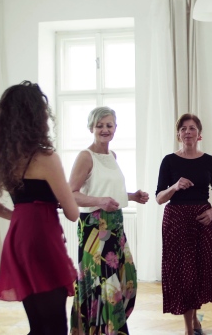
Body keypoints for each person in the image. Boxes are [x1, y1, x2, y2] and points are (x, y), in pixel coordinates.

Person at [0, 81, 79, 335]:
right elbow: (73, 213)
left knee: (38, 325)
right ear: (37, 118)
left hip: (18, 239)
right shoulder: (46, 158)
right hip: (42, 239)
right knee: (55, 326)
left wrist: (14, 215)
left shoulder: (3, 159)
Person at [68, 106, 149, 335]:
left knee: (126, 279)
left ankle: (109, 329)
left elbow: (108, 189)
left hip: (115, 226)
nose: (105, 129)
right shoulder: (86, 156)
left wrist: (132, 196)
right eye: (100, 125)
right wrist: (100, 201)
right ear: (91, 128)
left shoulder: (112, 156)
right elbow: (71, 194)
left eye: (109, 125)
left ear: (115, 128)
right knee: (102, 285)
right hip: (94, 229)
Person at [156, 113, 212, 335]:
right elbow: (159, 198)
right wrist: (175, 186)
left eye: (192, 128)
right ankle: (189, 329)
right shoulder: (169, 161)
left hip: (202, 221)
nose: (188, 132)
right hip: (176, 221)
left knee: (198, 273)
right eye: (184, 128)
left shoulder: (209, 161)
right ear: (178, 134)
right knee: (184, 275)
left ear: (199, 135)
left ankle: (195, 318)